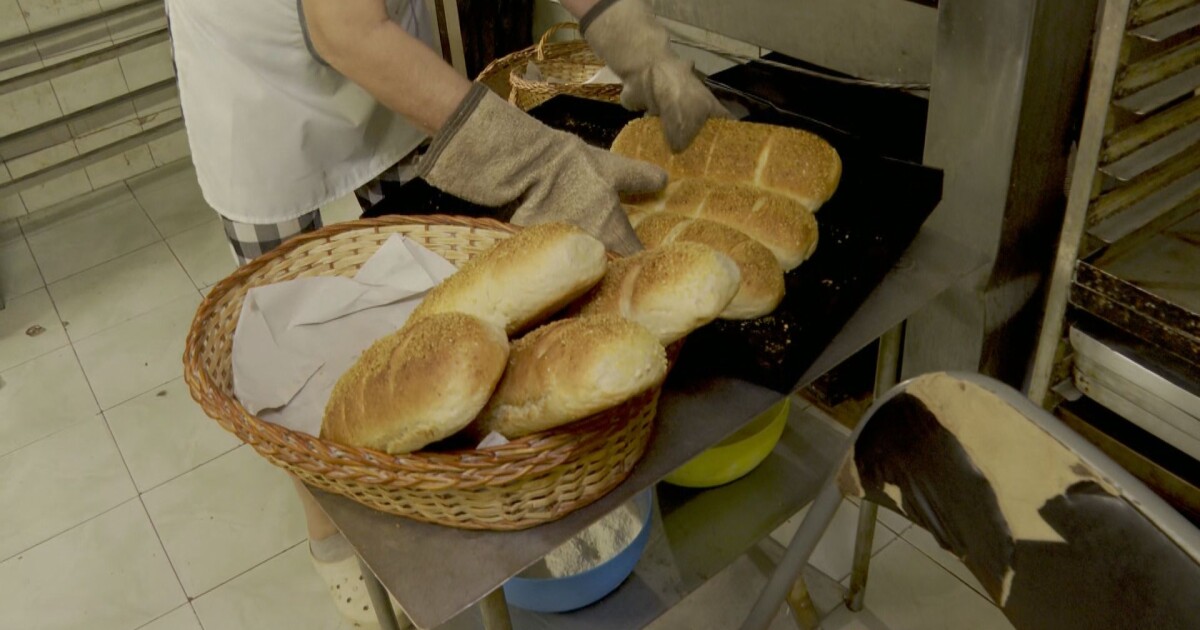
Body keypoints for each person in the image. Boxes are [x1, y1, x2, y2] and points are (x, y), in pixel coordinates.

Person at [165, 0, 726, 623]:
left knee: (422, 247)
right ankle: (326, 527)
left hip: (383, 35)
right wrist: (536, 161)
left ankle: (434, 459)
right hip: (258, 67)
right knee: (277, 314)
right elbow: (345, 34)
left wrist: (634, 40)